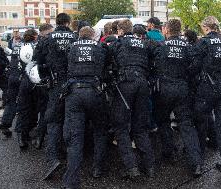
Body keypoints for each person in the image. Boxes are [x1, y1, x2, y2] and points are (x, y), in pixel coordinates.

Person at [153, 20, 203, 177]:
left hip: (165, 88)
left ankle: (169, 152)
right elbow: (197, 64)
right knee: (187, 125)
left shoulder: (160, 46)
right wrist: (186, 75)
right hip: (182, 88)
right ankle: (196, 164)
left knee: (163, 121)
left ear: (167, 30)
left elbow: (152, 65)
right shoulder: (188, 47)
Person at [62, 26, 109, 188]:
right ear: (92, 36)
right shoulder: (100, 47)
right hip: (95, 92)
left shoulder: (71, 47)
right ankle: (97, 168)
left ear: (80, 36)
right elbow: (106, 67)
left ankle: (71, 181)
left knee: (75, 138)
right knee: (100, 131)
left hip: (74, 93)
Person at [109, 19, 156, 178]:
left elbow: (108, 63)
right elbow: (154, 59)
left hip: (125, 84)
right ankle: (149, 167)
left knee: (121, 126)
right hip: (143, 84)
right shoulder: (145, 43)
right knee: (140, 127)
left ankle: (131, 167)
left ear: (121, 30)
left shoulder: (118, 43)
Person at [35, 13, 77, 179]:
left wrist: (46, 77)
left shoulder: (47, 38)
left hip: (55, 84)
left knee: (53, 120)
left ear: (56, 22)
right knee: (72, 118)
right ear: (68, 23)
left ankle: (53, 158)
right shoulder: (74, 38)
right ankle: (71, 157)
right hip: (73, 83)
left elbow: (37, 61)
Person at [194, 16, 221, 175]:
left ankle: (197, 160)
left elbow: (195, 65)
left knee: (201, 119)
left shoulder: (204, 42)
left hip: (208, 86)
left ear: (206, 27)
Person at [14, 29, 39, 149]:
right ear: (34, 37)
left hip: (23, 79)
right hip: (35, 80)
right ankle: (26, 134)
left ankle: (22, 135)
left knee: (24, 109)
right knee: (33, 108)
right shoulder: (36, 46)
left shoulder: (17, 46)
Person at [32, 23, 54, 149]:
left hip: (42, 80)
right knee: (47, 111)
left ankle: (40, 138)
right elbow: (38, 62)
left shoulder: (39, 43)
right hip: (45, 81)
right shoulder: (42, 44)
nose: (52, 36)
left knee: (45, 111)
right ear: (43, 33)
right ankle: (42, 138)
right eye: (50, 33)